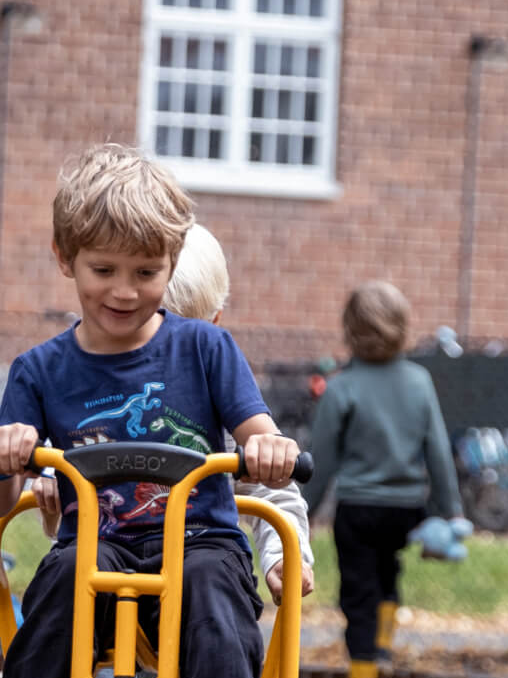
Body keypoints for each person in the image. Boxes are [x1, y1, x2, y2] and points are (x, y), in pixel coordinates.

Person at [0, 144, 298, 678]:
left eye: (146, 272)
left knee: (212, 588)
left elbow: (255, 431)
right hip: (98, 546)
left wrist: (267, 447)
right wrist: (6, 452)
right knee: (61, 577)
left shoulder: (205, 349)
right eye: (103, 270)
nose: (125, 290)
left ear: (172, 264)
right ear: (65, 258)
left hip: (195, 536)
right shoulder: (40, 369)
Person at [31, 222, 316, 605]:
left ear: (212, 326)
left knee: (214, 595)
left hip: (193, 571)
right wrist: (49, 481)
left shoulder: (217, 396)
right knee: (69, 590)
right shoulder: (85, 385)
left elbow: (271, 490)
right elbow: (60, 450)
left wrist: (283, 554)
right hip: (108, 567)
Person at [300, 280, 465, 678]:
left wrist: (301, 515)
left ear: (350, 329)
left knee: (359, 594)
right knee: (389, 572)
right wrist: (451, 512)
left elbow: (324, 460)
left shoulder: (342, 387)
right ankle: (387, 642)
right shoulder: (419, 381)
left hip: (358, 510)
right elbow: (437, 450)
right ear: (402, 326)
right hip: (408, 508)